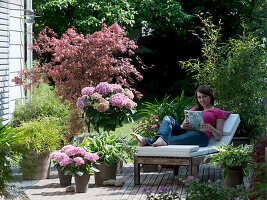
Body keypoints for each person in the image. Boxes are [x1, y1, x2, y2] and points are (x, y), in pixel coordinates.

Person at [130, 85, 226, 147]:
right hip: (186, 133)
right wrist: (183, 126)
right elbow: (181, 127)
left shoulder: (217, 112)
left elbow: (219, 136)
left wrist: (211, 129)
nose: (202, 100)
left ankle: (148, 140)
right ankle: (158, 140)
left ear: (210, 97)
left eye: (205, 97)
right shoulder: (194, 109)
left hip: (201, 136)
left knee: (195, 134)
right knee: (168, 118)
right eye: (199, 97)